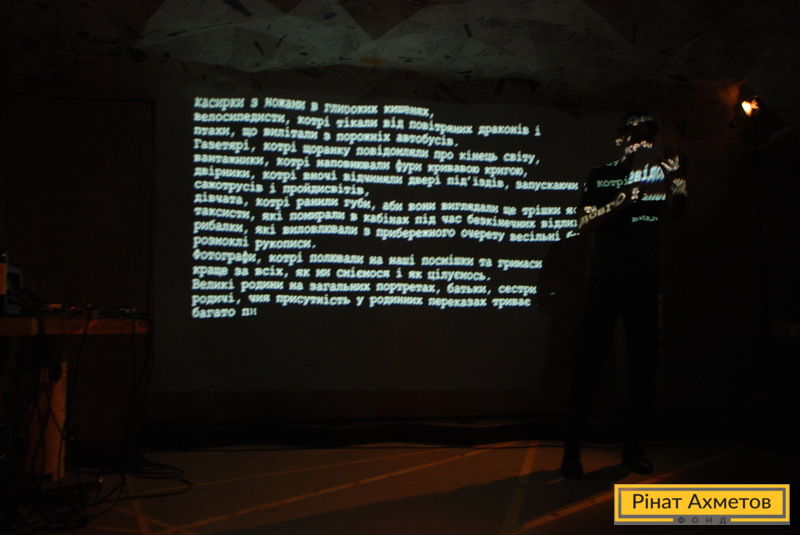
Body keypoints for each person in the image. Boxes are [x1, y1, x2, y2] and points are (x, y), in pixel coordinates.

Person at [560, 112, 687, 479]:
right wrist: (619, 203)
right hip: (604, 281)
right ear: (621, 140)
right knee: (588, 365)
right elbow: (584, 222)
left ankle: (634, 449)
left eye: (649, 137)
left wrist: (677, 178)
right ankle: (572, 452)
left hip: (644, 283)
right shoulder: (601, 175)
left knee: (642, 368)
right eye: (635, 136)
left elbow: (679, 212)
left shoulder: (660, 176)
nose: (642, 143)